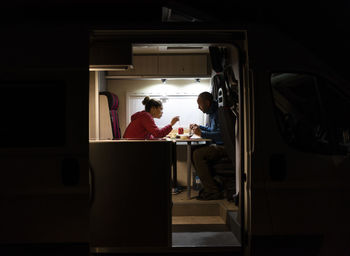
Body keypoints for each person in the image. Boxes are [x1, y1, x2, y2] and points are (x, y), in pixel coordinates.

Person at [190, 91, 227, 200]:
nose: (198, 107)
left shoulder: (219, 112)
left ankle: (212, 191)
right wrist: (199, 127)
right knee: (193, 150)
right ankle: (211, 184)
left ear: (207, 102)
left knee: (197, 154)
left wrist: (202, 133)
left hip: (224, 147)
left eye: (200, 104)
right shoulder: (212, 113)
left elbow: (222, 135)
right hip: (217, 145)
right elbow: (212, 130)